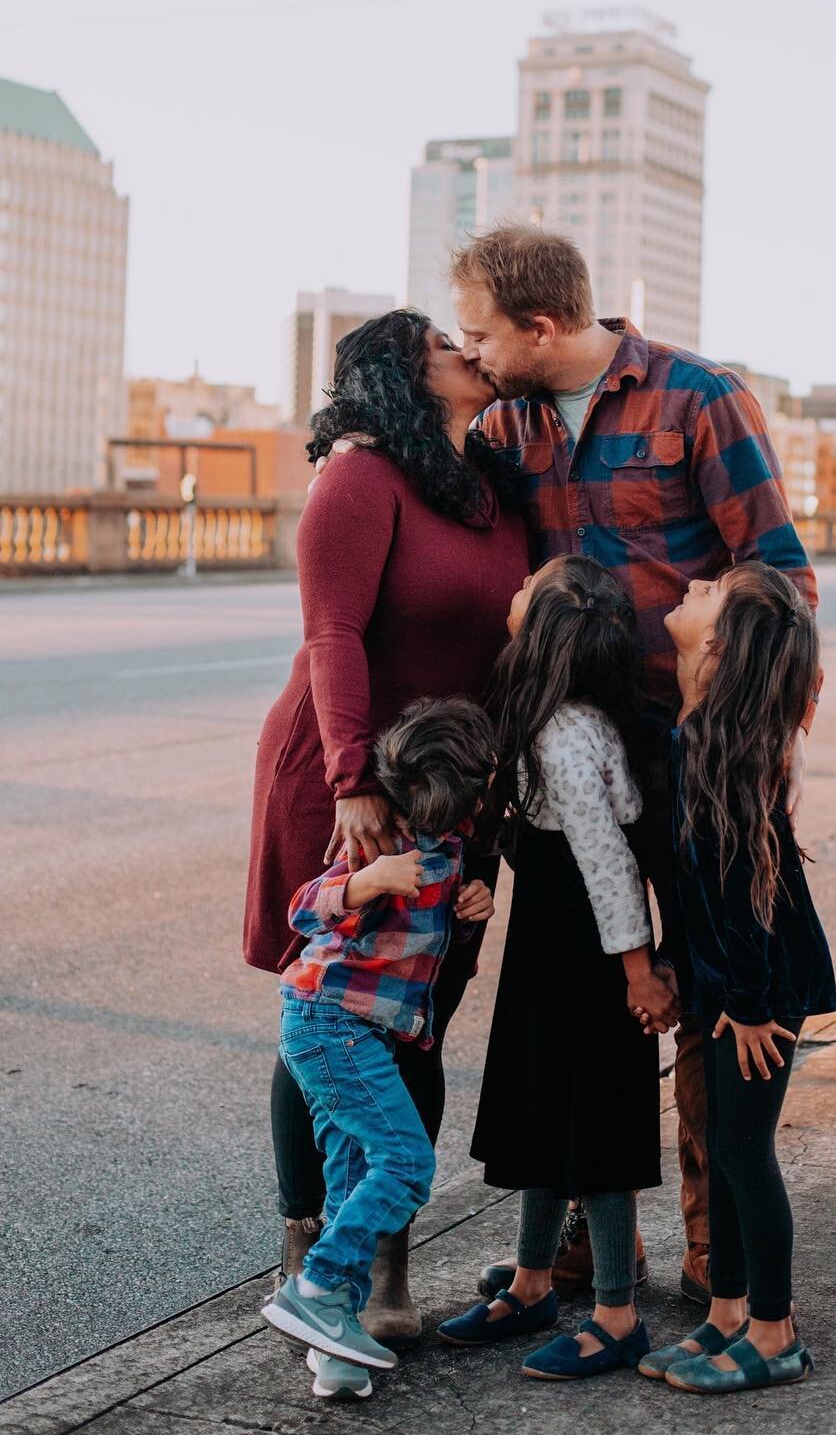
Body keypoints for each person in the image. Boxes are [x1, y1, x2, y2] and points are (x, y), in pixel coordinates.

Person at [451, 223, 821, 1303]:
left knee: (713, 990)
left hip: (693, 745)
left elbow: (782, 581)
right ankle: (586, 1229)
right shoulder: (505, 422)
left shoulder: (698, 397)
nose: (470, 352)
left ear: (543, 326)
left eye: (483, 334)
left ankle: (721, 1257)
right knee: (589, 991)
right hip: (577, 747)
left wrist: (749, 747)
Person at [243, 309, 530, 1340]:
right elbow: (332, 632)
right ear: (409, 380)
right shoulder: (361, 479)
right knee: (329, 1004)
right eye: (446, 347)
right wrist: (353, 778)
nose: (468, 351)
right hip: (346, 774)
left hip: (457, 787)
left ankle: (384, 1257)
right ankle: (307, 1249)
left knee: (423, 1014)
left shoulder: (493, 485)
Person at [435, 554, 680, 1382]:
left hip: (590, 953)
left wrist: (638, 974)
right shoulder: (548, 715)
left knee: (596, 1132)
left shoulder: (566, 732)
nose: (514, 586)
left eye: (528, 589)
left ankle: (616, 1314)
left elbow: (608, 865)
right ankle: (534, 1283)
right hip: (553, 944)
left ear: (543, 633)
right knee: (544, 1118)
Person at [260, 696, 501, 1400]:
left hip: (366, 1031)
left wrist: (470, 907)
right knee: (405, 1162)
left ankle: (333, 1352)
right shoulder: (377, 840)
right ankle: (318, 1284)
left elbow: (419, 952)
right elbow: (304, 910)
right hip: (325, 1020)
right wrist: (367, 881)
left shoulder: (452, 850)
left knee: (350, 1176)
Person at [637, 562, 836, 1394]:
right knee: (722, 1147)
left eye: (712, 590)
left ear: (718, 644)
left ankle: (774, 1331)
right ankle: (725, 1315)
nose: (693, 583)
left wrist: (748, 1005)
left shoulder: (722, 745)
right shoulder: (700, 730)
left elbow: (742, 892)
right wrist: (697, 974)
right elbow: (697, 892)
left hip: (761, 991)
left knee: (747, 1154)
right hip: (730, 984)